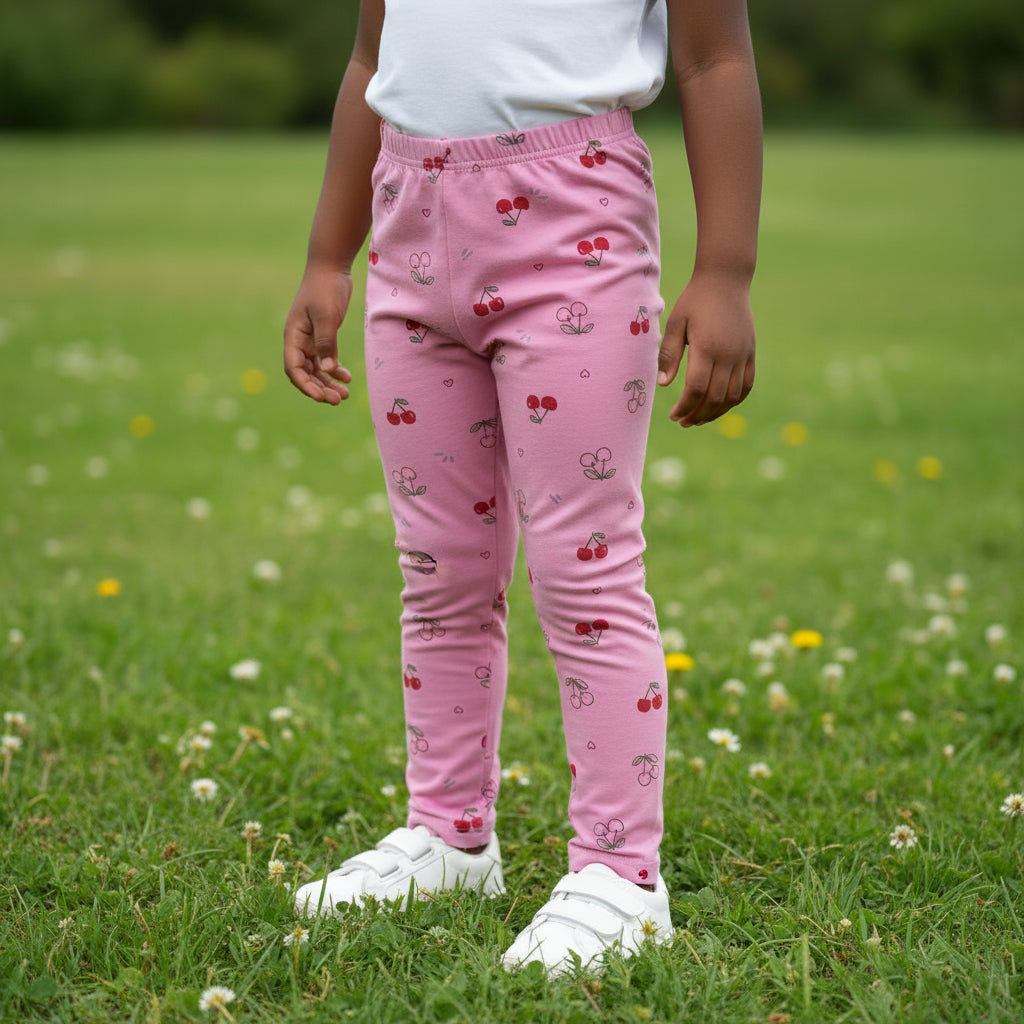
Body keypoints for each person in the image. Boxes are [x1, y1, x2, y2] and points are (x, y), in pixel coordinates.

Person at [283, 0, 761, 976]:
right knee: (441, 571)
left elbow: (714, 61)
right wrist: (326, 258)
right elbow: (372, 57)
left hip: (571, 228)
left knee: (583, 568)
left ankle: (622, 874)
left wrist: (724, 270)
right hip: (406, 226)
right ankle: (451, 836)